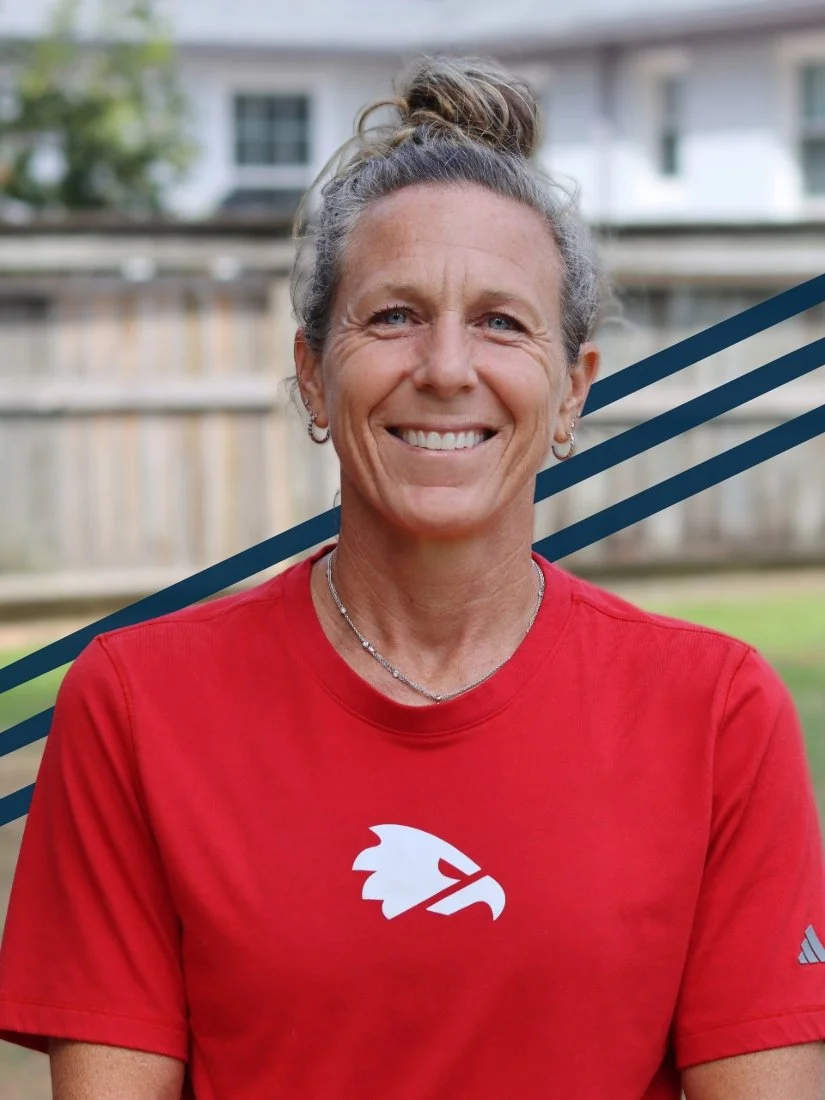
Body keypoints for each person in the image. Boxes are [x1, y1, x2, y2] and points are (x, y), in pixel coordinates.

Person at [0, 55, 824, 1100]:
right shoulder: (136, 705)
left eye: (501, 320)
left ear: (572, 391)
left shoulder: (715, 713)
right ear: (312, 371)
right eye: (391, 315)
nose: (445, 366)